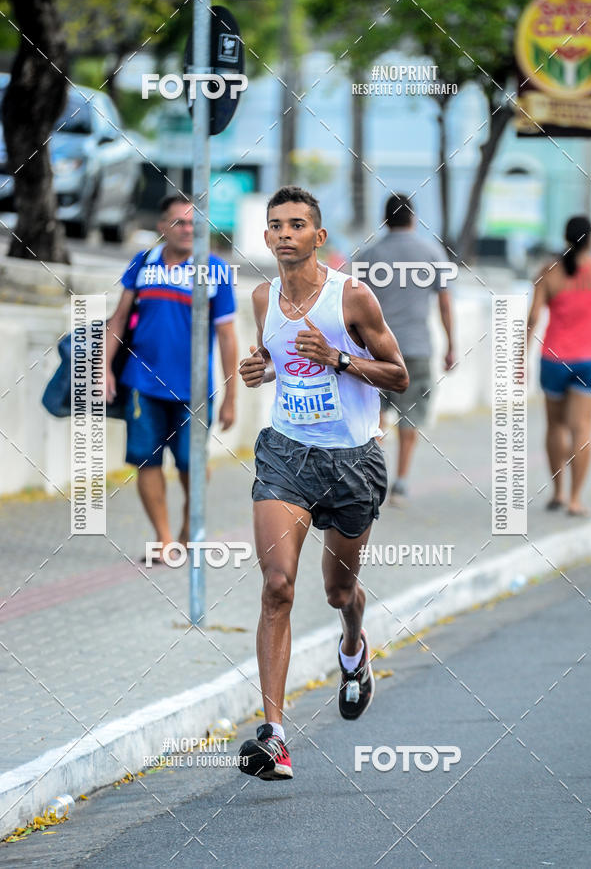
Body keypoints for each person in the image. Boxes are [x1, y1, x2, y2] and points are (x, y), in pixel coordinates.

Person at [237, 186, 408, 780]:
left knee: (339, 592)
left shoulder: (351, 297)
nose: (285, 234)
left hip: (352, 463)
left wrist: (339, 359)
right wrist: (258, 370)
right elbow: (277, 362)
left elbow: (399, 375)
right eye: (276, 225)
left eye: (296, 224)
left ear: (319, 236)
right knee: (277, 585)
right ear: (266, 237)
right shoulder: (263, 297)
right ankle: (275, 737)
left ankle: (353, 648)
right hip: (286, 455)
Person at [106, 195, 237, 559]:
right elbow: (119, 319)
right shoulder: (143, 262)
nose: (187, 229)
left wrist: (231, 397)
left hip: (194, 390)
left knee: (192, 466)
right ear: (162, 226)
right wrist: (104, 370)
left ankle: (187, 530)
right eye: (179, 222)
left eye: (194, 224)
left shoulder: (215, 270)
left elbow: (228, 336)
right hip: (142, 383)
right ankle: (164, 540)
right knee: (146, 461)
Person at [361, 193, 455, 504]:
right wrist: (451, 346)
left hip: (375, 351)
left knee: (375, 416)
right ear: (413, 218)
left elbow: (351, 307)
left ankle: (372, 479)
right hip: (416, 349)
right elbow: (444, 303)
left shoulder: (368, 255)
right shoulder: (432, 252)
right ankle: (400, 482)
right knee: (410, 417)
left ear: (385, 220)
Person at [527, 215, 591, 516]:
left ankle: (557, 492)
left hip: (554, 360)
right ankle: (575, 499)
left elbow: (533, 318)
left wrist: (520, 357)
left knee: (555, 426)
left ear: (566, 239)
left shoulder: (548, 272)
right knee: (582, 428)